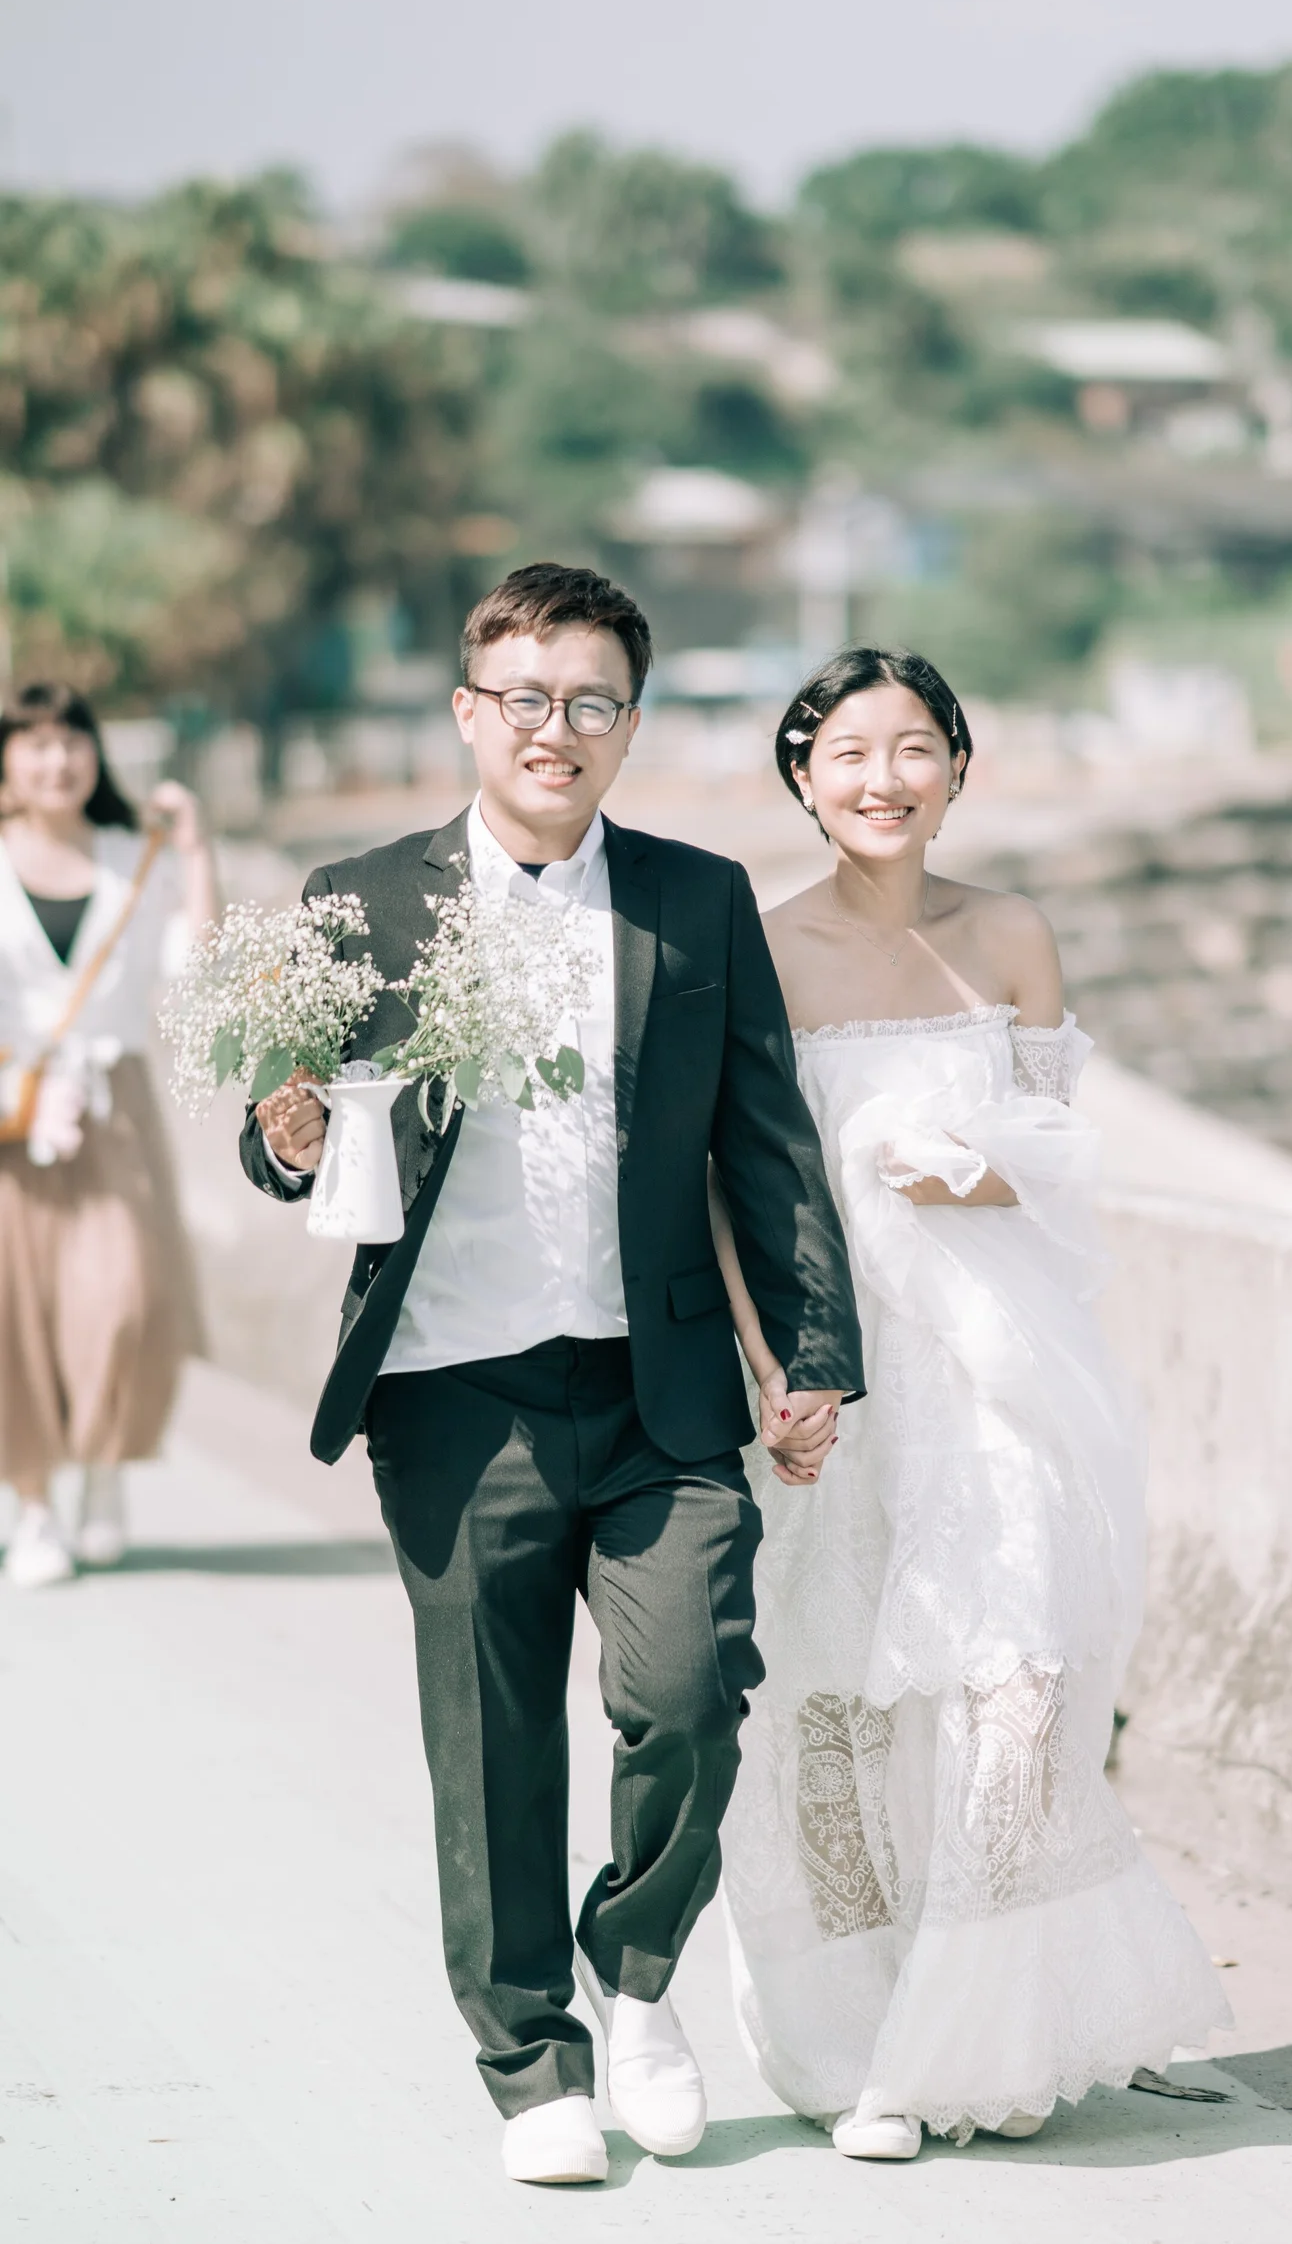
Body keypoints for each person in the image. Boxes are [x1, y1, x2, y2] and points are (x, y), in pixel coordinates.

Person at [241, 564, 863, 2187]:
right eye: (526, 697)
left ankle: (636, 1973)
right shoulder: (358, 900)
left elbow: (765, 1141)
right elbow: (282, 1127)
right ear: (470, 712)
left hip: (661, 1388)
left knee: (691, 1696)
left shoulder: (695, 896)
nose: (556, 729)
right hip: (452, 1389)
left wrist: (812, 1354)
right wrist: (286, 1135)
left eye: (591, 701)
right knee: (493, 1740)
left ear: (629, 725)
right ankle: (531, 2059)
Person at [713, 647, 1231, 2158]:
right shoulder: (761, 950)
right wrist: (770, 1371)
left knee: (1017, 1686)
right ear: (803, 776)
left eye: (914, 748)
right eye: (849, 751)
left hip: (1006, 1373)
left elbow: (1058, 1160)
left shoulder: (1012, 934)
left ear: (958, 769)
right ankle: (855, 2034)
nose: (883, 778)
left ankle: (966, 2043)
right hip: (838, 1379)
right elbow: (726, 1186)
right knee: (832, 1704)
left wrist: (963, 1166)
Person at [0, 683, 215, 1588]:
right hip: (10, 1110)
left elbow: (195, 968)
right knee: (14, 1318)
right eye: (36, 742)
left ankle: (98, 1465)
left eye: (72, 740)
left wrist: (196, 851)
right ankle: (34, 1506)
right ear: (7, 761)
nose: (57, 759)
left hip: (112, 1104)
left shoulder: (138, 855)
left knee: (122, 1301)